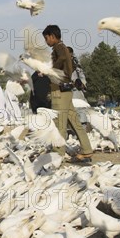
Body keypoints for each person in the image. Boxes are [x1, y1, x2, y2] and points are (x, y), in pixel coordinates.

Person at [42, 25, 93, 162]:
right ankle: (87, 150)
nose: (46, 41)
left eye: (46, 38)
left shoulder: (59, 47)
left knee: (59, 123)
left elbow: (63, 58)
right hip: (67, 91)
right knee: (75, 122)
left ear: (52, 36)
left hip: (59, 91)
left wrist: (50, 71)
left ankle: (58, 155)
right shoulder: (63, 47)